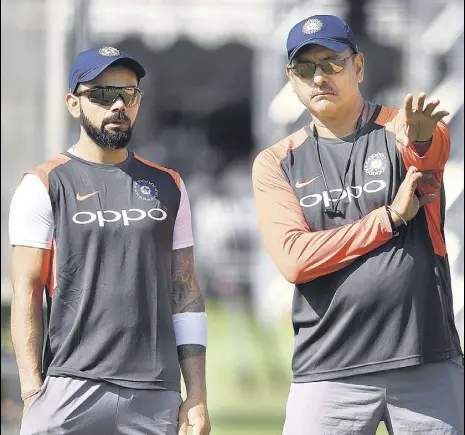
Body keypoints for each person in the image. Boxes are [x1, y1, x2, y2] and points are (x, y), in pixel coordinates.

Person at [252, 15, 463, 435]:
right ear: (290, 78)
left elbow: (430, 152)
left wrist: (421, 141)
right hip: (328, 368)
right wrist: (387, 219)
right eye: (305, 67)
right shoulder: (276, 161)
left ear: (359, 67)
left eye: (331, 63)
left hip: (425, 360)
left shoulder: (402, 126)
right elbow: (294, 260)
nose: (318, 77)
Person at [9, 46, 211, 435]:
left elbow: (185, 291)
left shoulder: (169, 185)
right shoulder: (44, 184)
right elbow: (27, 291)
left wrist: (197, 395)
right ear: (73, 104)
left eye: (129, 94)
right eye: (102, 94)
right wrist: (33, 391)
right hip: (69, 388)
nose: (118, 104)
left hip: (155, 393)